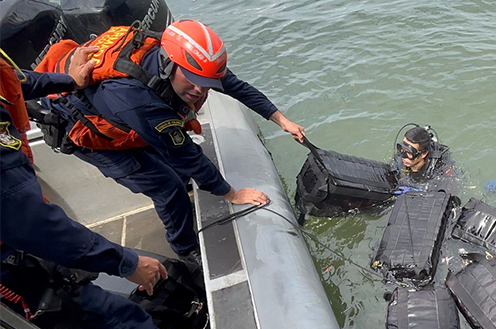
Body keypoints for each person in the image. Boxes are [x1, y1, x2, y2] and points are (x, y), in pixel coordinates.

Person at [0, 48, 214, 329]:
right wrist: (127, 263)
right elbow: (37, 226)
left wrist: (70, 80)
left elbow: (18, 80)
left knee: (70, 286)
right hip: (11, 247)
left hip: (17, 215)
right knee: (86, 309)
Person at [36, 20, 306, 266]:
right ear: (168, 63)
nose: (201, 90)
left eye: (207, 83)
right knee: (168, 186)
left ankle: (181, 211)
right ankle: (186, 248)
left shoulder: (195, 65)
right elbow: (186, 155)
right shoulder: (138, 100)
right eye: (194, 81)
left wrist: (282, 120)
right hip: (90, 133)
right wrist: (231, 194)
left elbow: (237, 86)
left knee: (174, 166)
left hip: (123, 117)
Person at [393, 125, 459, 194]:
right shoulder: (399, 158)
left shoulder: (440, 167)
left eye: (409, 152)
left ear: (423, 154)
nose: (403, 156)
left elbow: (451, 188)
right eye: (402, 148)